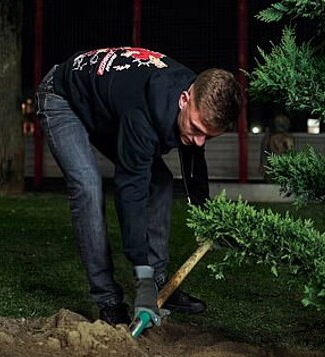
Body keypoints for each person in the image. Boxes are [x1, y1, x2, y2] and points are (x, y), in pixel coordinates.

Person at [35, 47, 241, 326]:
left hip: (104, 105)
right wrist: (141, 274)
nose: (199, 141)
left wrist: (209, 218)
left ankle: (159, 284)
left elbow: (193, 161)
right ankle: (108, 300)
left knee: (160, 180)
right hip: (64, 97)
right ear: (184, 99)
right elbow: (130, 190)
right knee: (88, 186)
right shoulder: (143, 113)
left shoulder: (198, 94)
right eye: (195, 129)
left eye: (209, 135)